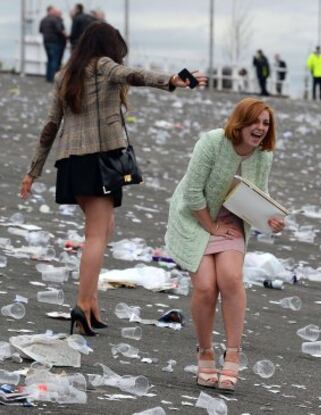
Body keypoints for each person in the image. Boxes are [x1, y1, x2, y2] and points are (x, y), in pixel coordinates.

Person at [20, 22, 207, 336]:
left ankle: (91, 302)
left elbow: (51, 126)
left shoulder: (64, 74)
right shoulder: (103, 66)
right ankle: (81, 305)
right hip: (99, 160)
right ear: (108, 46)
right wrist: (173, 80)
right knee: (96, 234)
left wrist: (34, 170)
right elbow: (133, 75)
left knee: (103, 228)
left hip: (71, 163)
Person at [165, 97, 284, 392]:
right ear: (240, 122)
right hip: (196, 216)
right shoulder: (212, 142)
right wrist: (211, 225)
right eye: (255, 121)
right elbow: (192, 193)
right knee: (205, 286)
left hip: (230, 219)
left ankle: (233, 353)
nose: (260, 128)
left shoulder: (263, 155)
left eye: (265, 123)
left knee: (230, 278)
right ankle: (205, 352)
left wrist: (270, 218)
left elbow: (258, 192)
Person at [39, 5, 66, 82]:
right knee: (55, 60)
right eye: (54, 11)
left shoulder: (43, 20)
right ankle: (54, 78)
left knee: (49, 60)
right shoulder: (55, 20)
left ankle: (48, 77)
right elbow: (59, 30)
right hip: (54, 42)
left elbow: (40, 30)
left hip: (46, 42)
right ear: (50, 11)